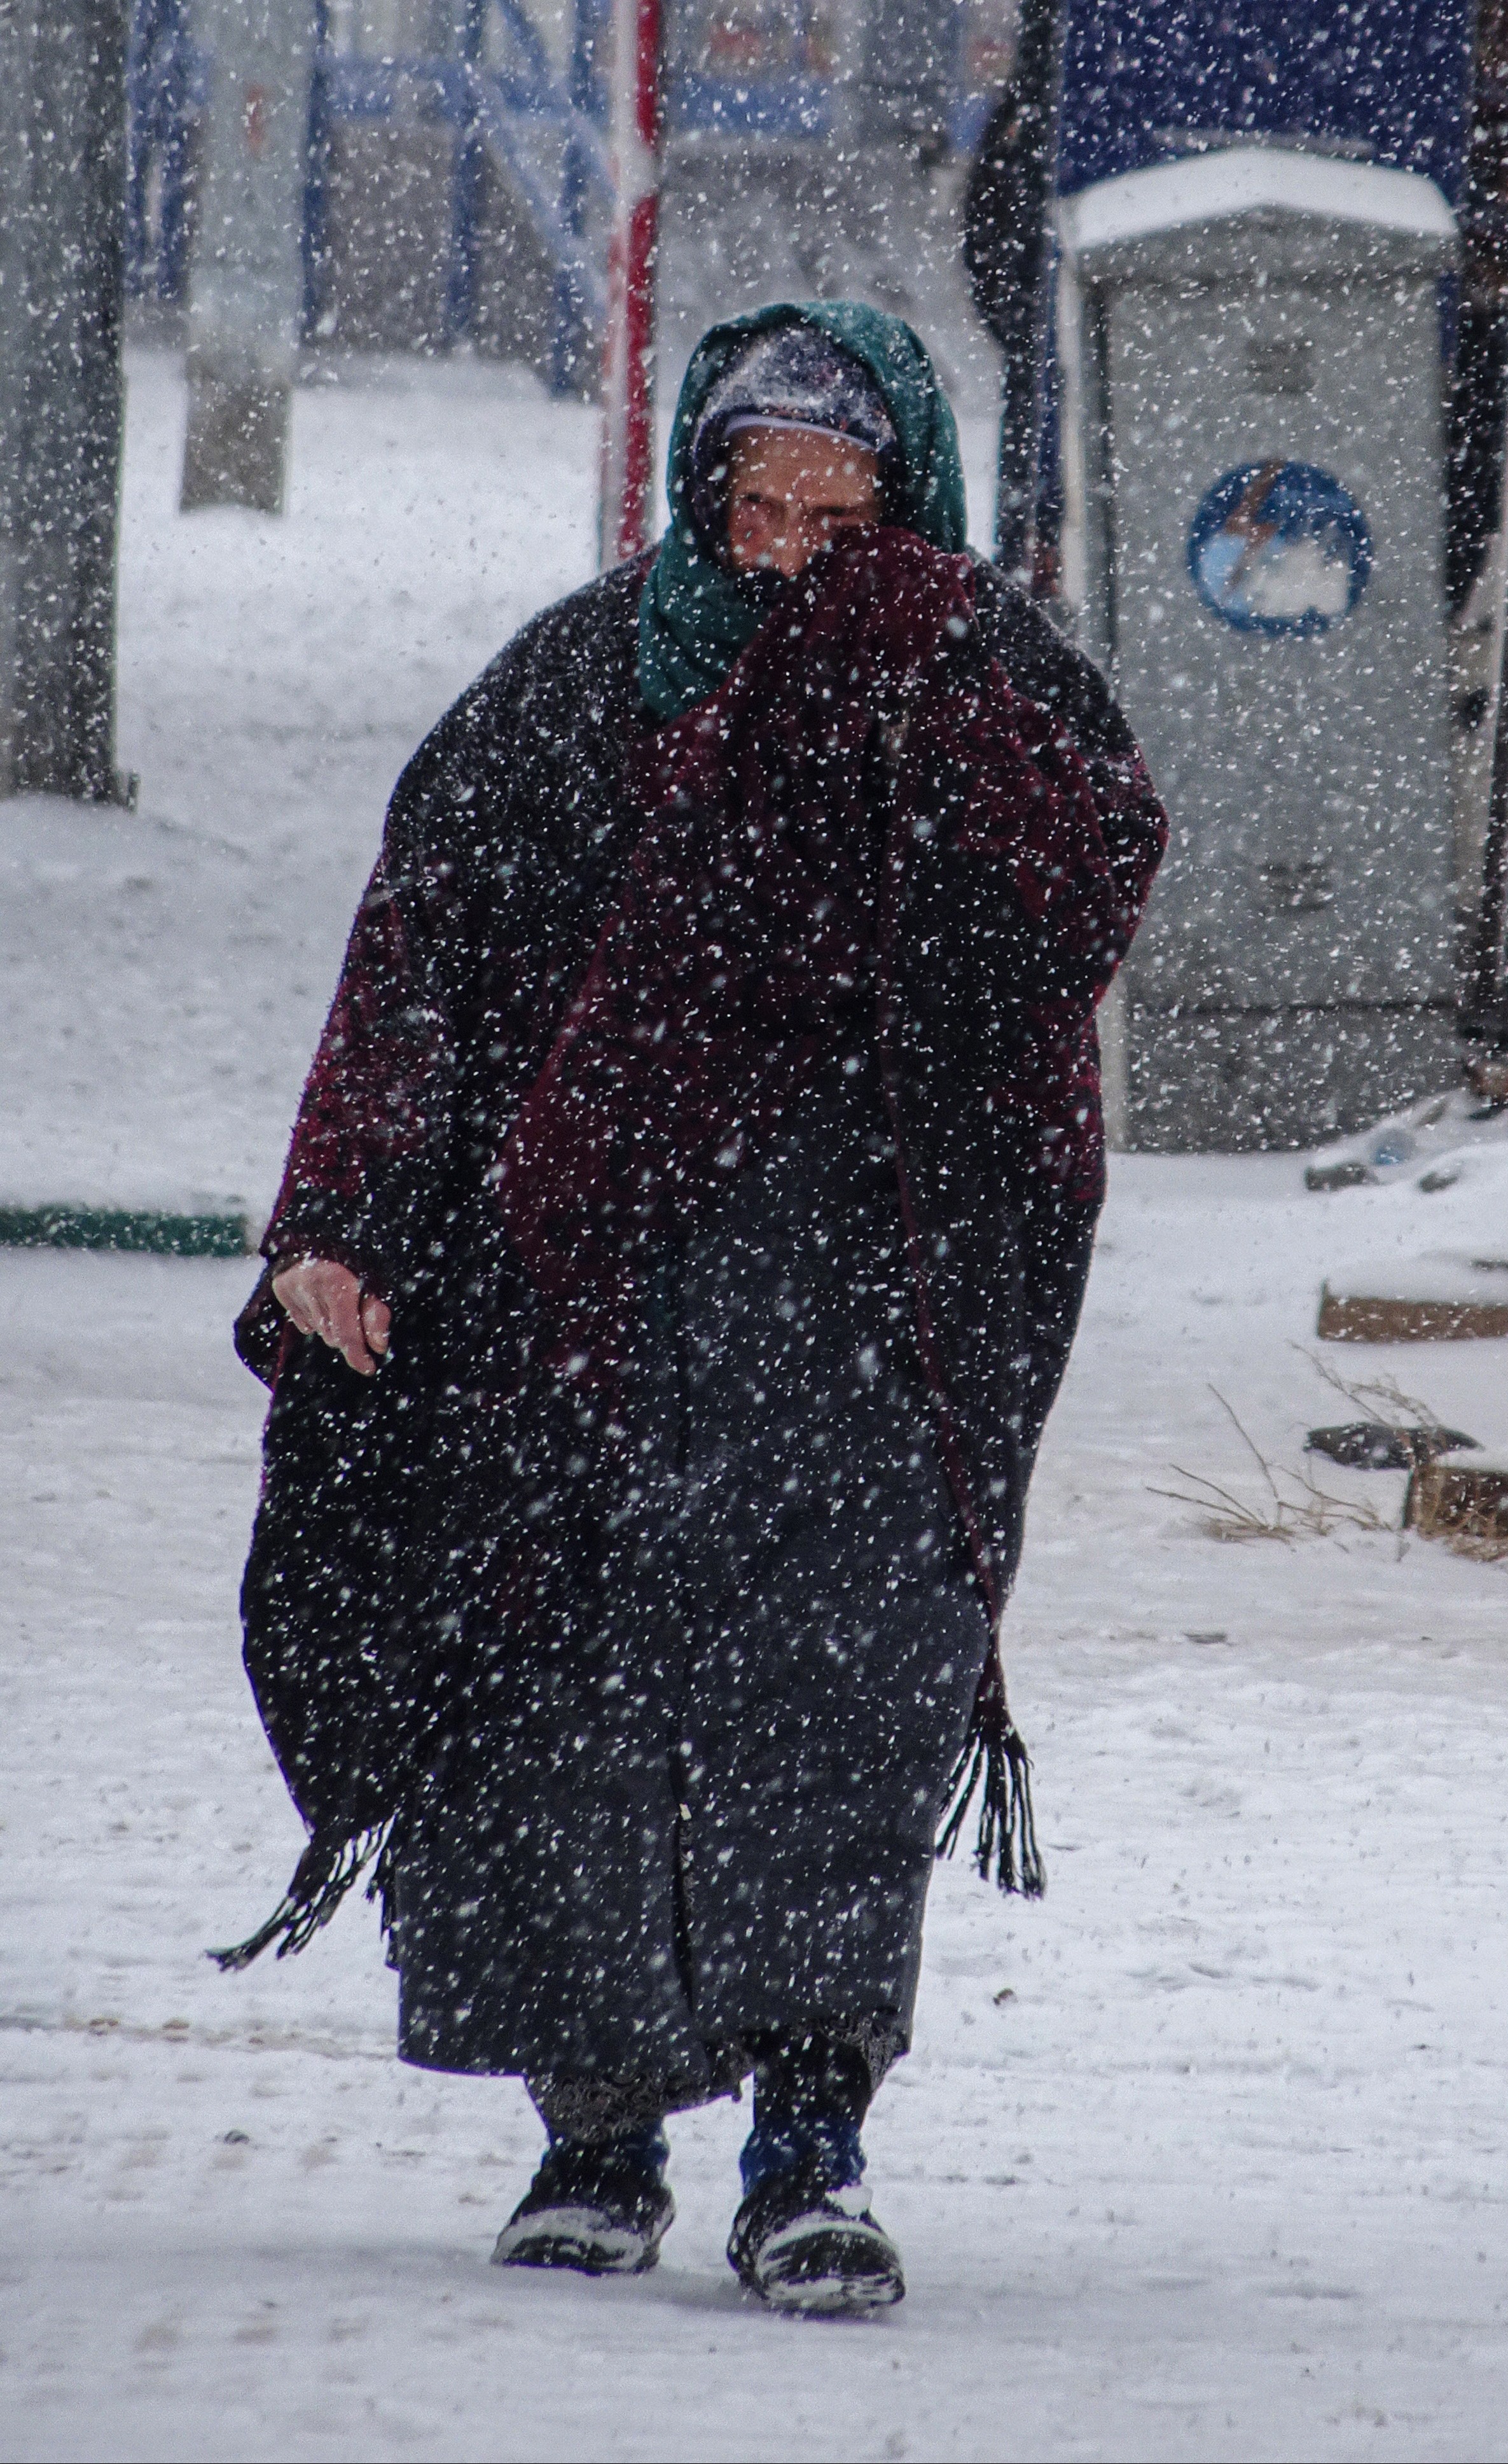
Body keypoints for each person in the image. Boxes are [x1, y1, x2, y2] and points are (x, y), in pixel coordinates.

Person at [222, 303, 1166, 2314]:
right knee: (563, 1699)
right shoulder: (577, 686)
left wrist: (934, 695)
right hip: (580, 1303)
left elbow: (1075, 908)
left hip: (864, 1312)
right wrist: (348, 1219)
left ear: (908, 500)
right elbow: (423, 961)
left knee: (835, 1711)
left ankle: (811, 2141)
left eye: (841, 515)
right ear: (698, 493)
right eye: (756, 506)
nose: (789, 553)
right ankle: (597, 2126)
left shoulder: (979, 674)